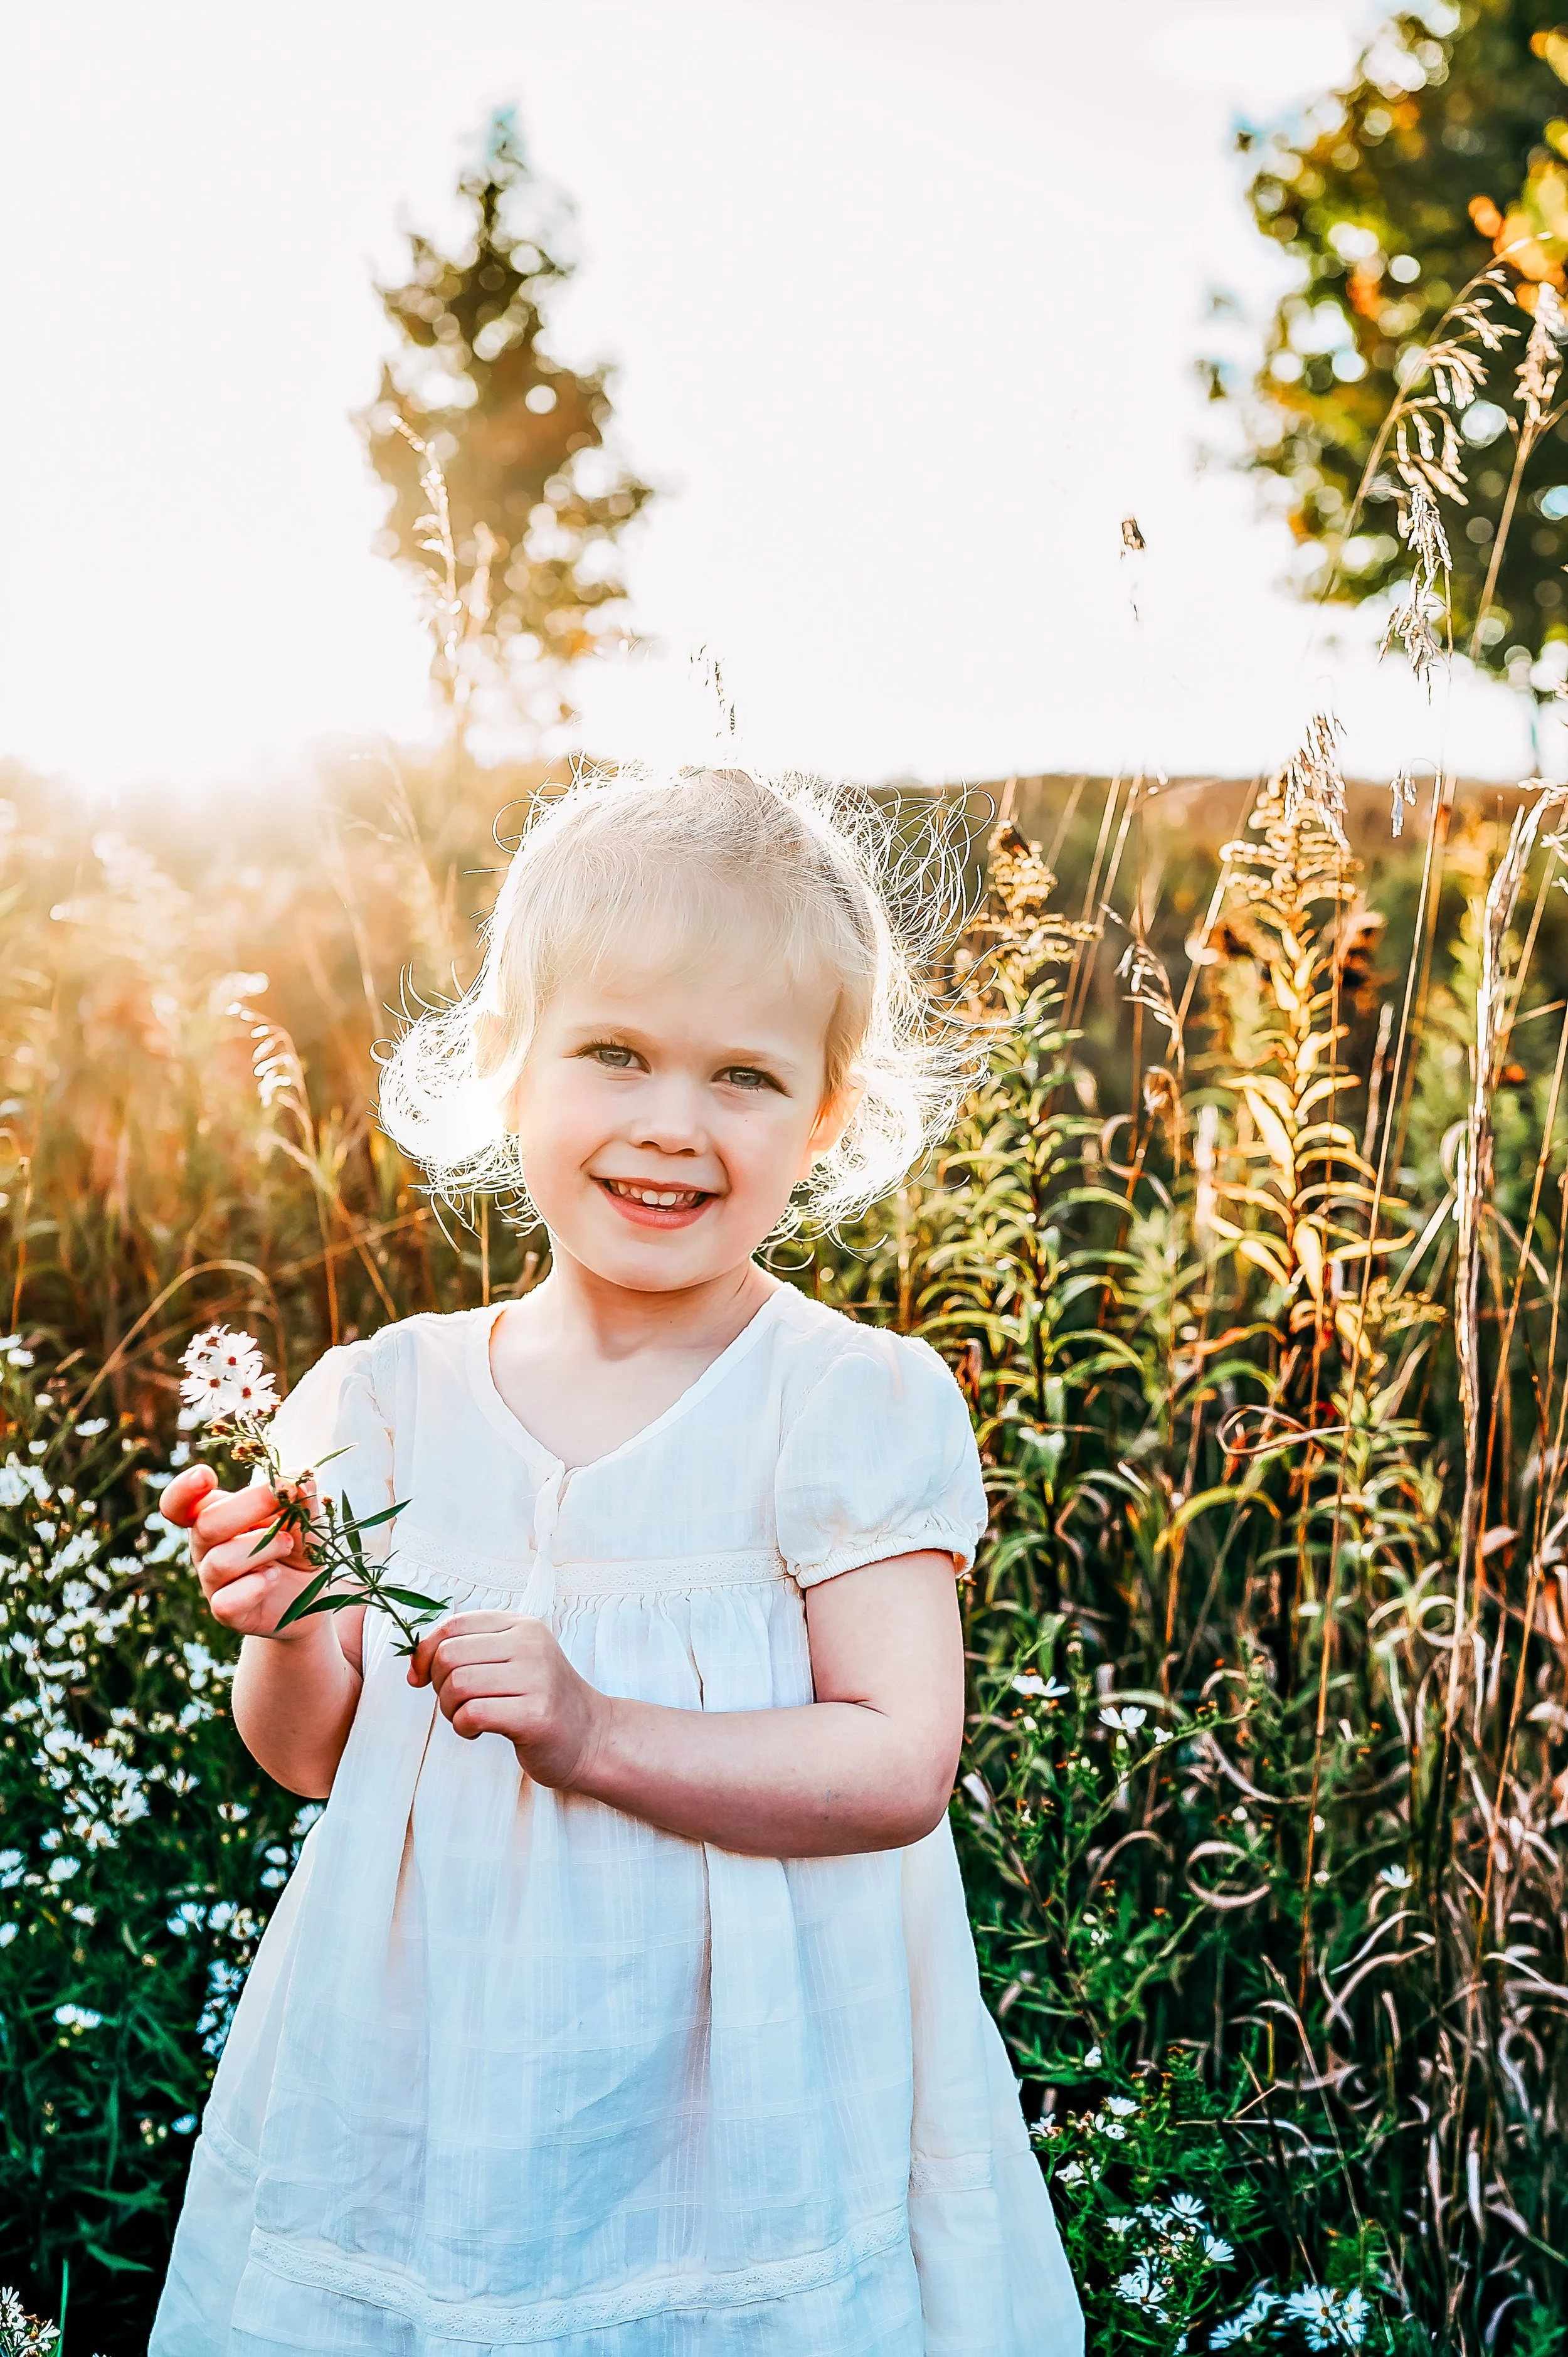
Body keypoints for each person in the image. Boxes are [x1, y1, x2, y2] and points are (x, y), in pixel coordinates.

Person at [150, 766, 1083, 2356]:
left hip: (750, 2128)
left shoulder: (843, 1404)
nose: (671, 1123)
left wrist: (594, 1732)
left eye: (743, 1075)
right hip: (424, 2092)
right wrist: (286, 1631)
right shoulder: (378, 1401)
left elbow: (896, 1765)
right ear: (508, 1071)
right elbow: (312, 1758)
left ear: (824, 1119)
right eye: (613, 1054)